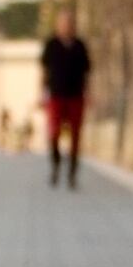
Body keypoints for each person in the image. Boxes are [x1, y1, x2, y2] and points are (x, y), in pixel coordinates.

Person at [39, 21, 91, 188]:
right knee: (54, 131)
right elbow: (43, 71)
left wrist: (89, 93)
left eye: (69, 24)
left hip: (76, 95)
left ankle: (72, 173)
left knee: (76, 133)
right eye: (63, 23)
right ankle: (55, 164)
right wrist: (41, 93)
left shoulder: (80, 46)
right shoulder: (51, 45)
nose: (66, 27)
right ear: (58, 26)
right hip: (55, 95)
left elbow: (87, 72)